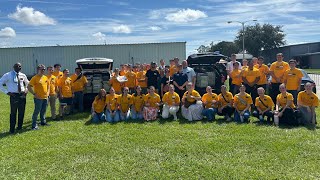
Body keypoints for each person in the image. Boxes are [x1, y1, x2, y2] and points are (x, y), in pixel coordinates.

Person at [0, 62, 29, 134]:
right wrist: (7, 92)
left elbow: (28, 83)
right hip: (14, 95)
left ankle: (19, 127)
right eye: (17, 66)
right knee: (13, 112)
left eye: (20, 66)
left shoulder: (23, 75)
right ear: (13, 67)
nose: (18, 67)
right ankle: (12, 129)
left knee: (21, 112)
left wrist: (26, 90)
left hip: (22, 95)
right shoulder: (8, 75)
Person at [28, 64, 50, 130]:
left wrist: (48, 94)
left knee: (43, 110)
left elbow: (48, 86)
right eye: (41, 69)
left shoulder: (45, 77)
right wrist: (34, 93)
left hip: (45, 97)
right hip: (38, 98)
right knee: (37, 111)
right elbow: (29, 87)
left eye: (44, 69)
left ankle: (43, 122)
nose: (43, 70)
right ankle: (34, 125)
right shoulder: (35, 78)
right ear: (38, 70)